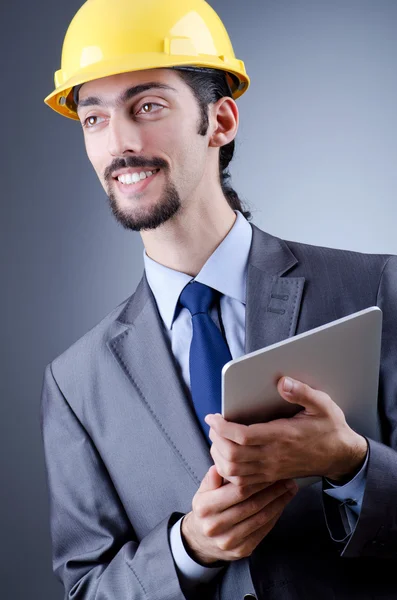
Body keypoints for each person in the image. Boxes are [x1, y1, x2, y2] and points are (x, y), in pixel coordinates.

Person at [41, 1, 397, 598]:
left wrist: (353, 464)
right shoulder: (77, 383)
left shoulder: (375, 291)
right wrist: (188, 551)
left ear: (222, 121)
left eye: (147, 106)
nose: (120, 143)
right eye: (94, 119)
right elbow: (86, 588)